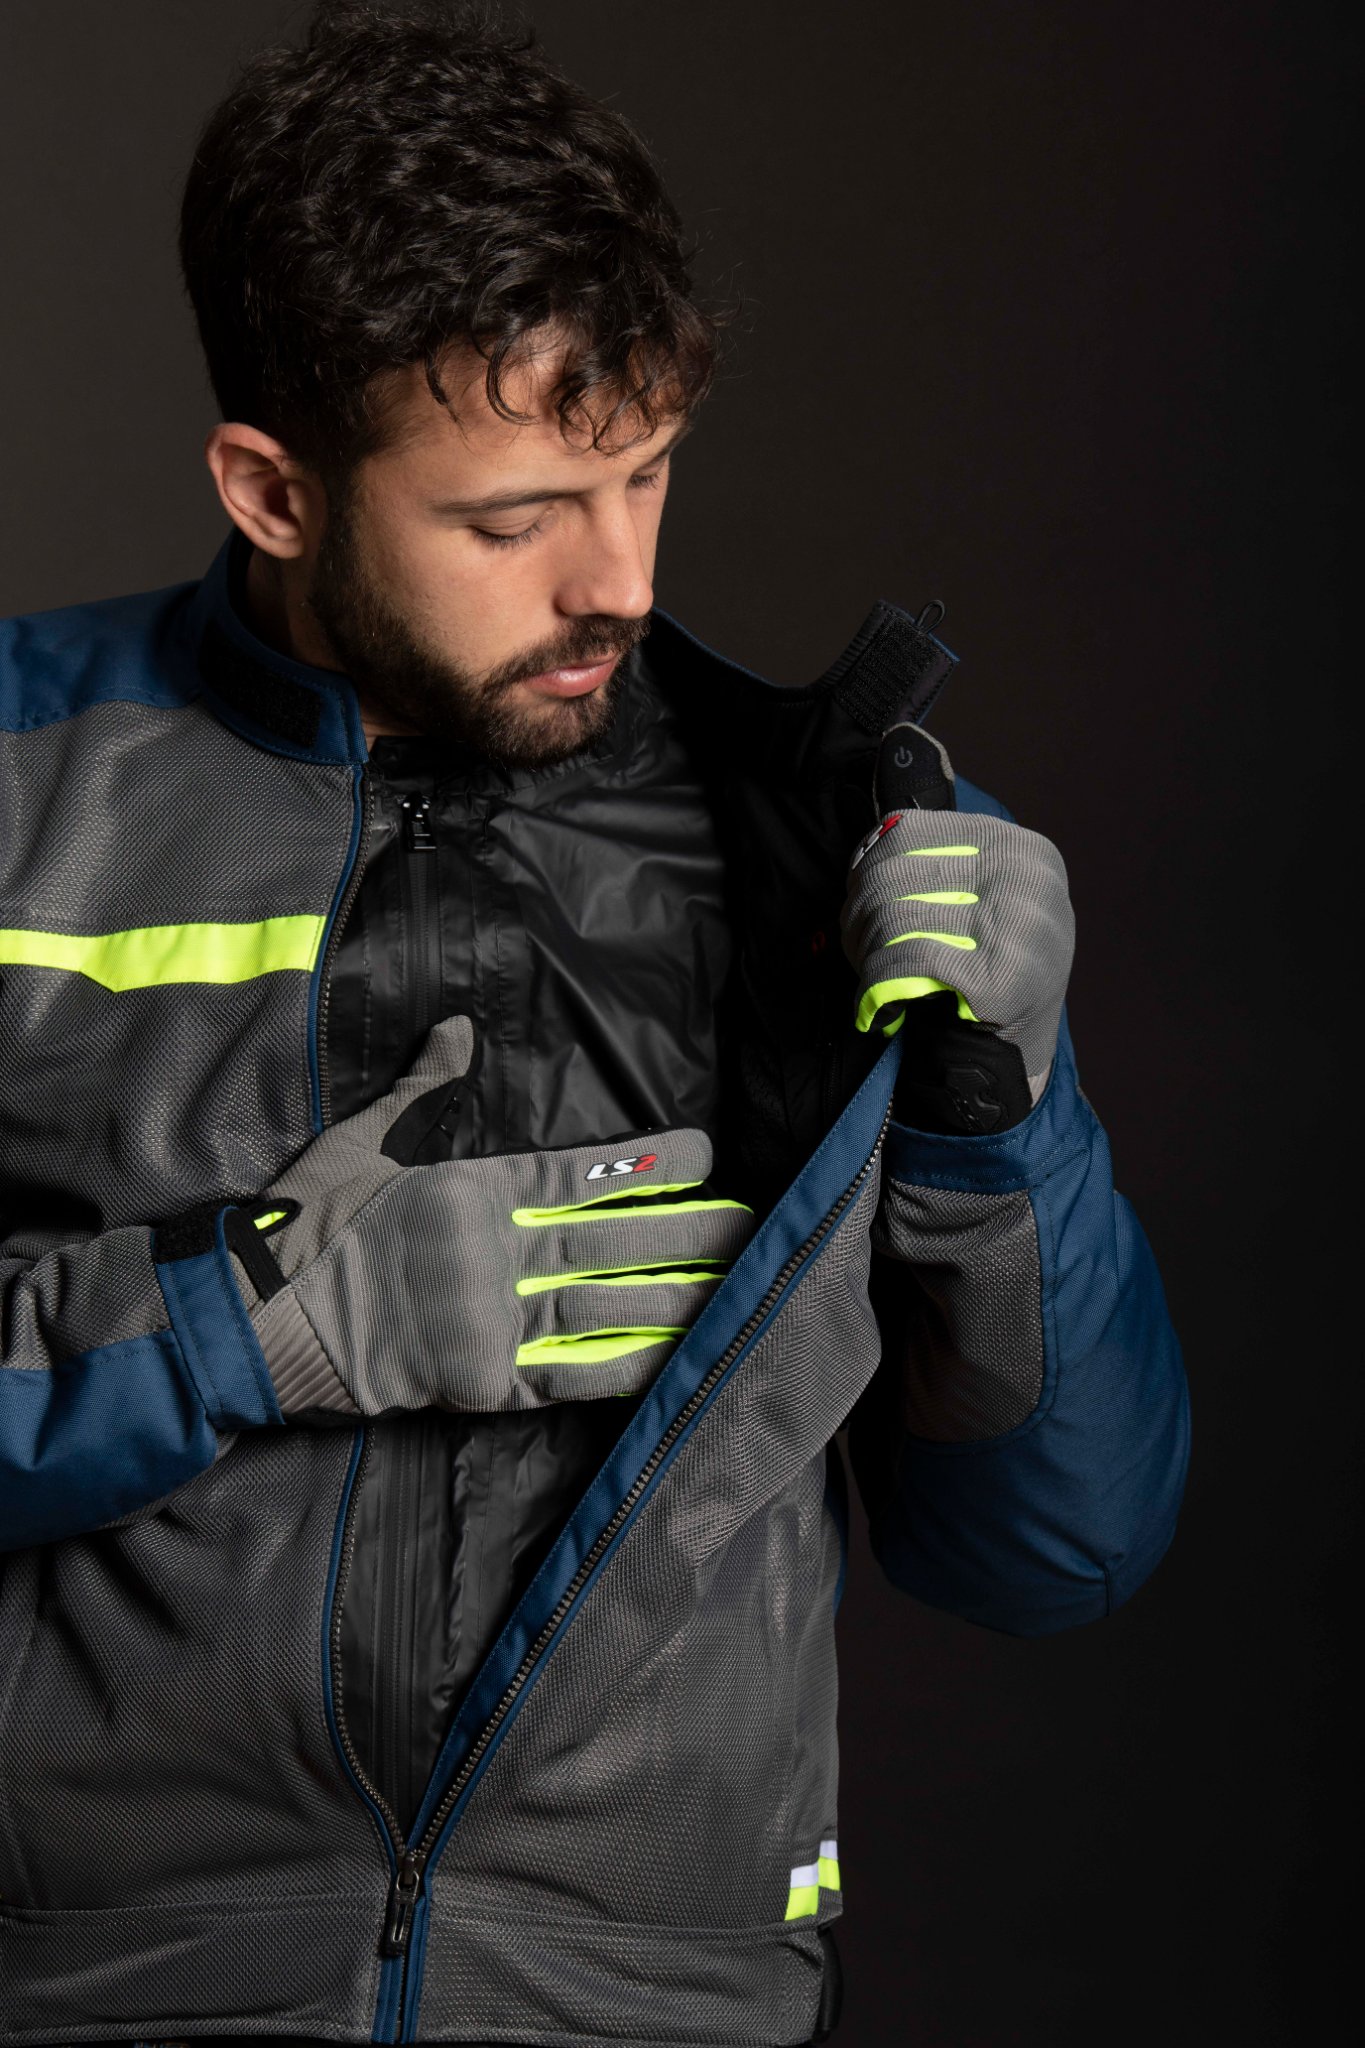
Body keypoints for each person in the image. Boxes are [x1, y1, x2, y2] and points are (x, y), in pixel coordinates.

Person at [0, 4, 1190, 2043]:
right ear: (273, 492)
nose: (619, 581)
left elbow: (1051, 1550)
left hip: (655, 2002)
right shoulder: (25, 788)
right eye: (510, 519)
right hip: (98, 1984)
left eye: (645, 472)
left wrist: (1004, 1122)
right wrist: (245, 1327)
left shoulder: (833, 849)